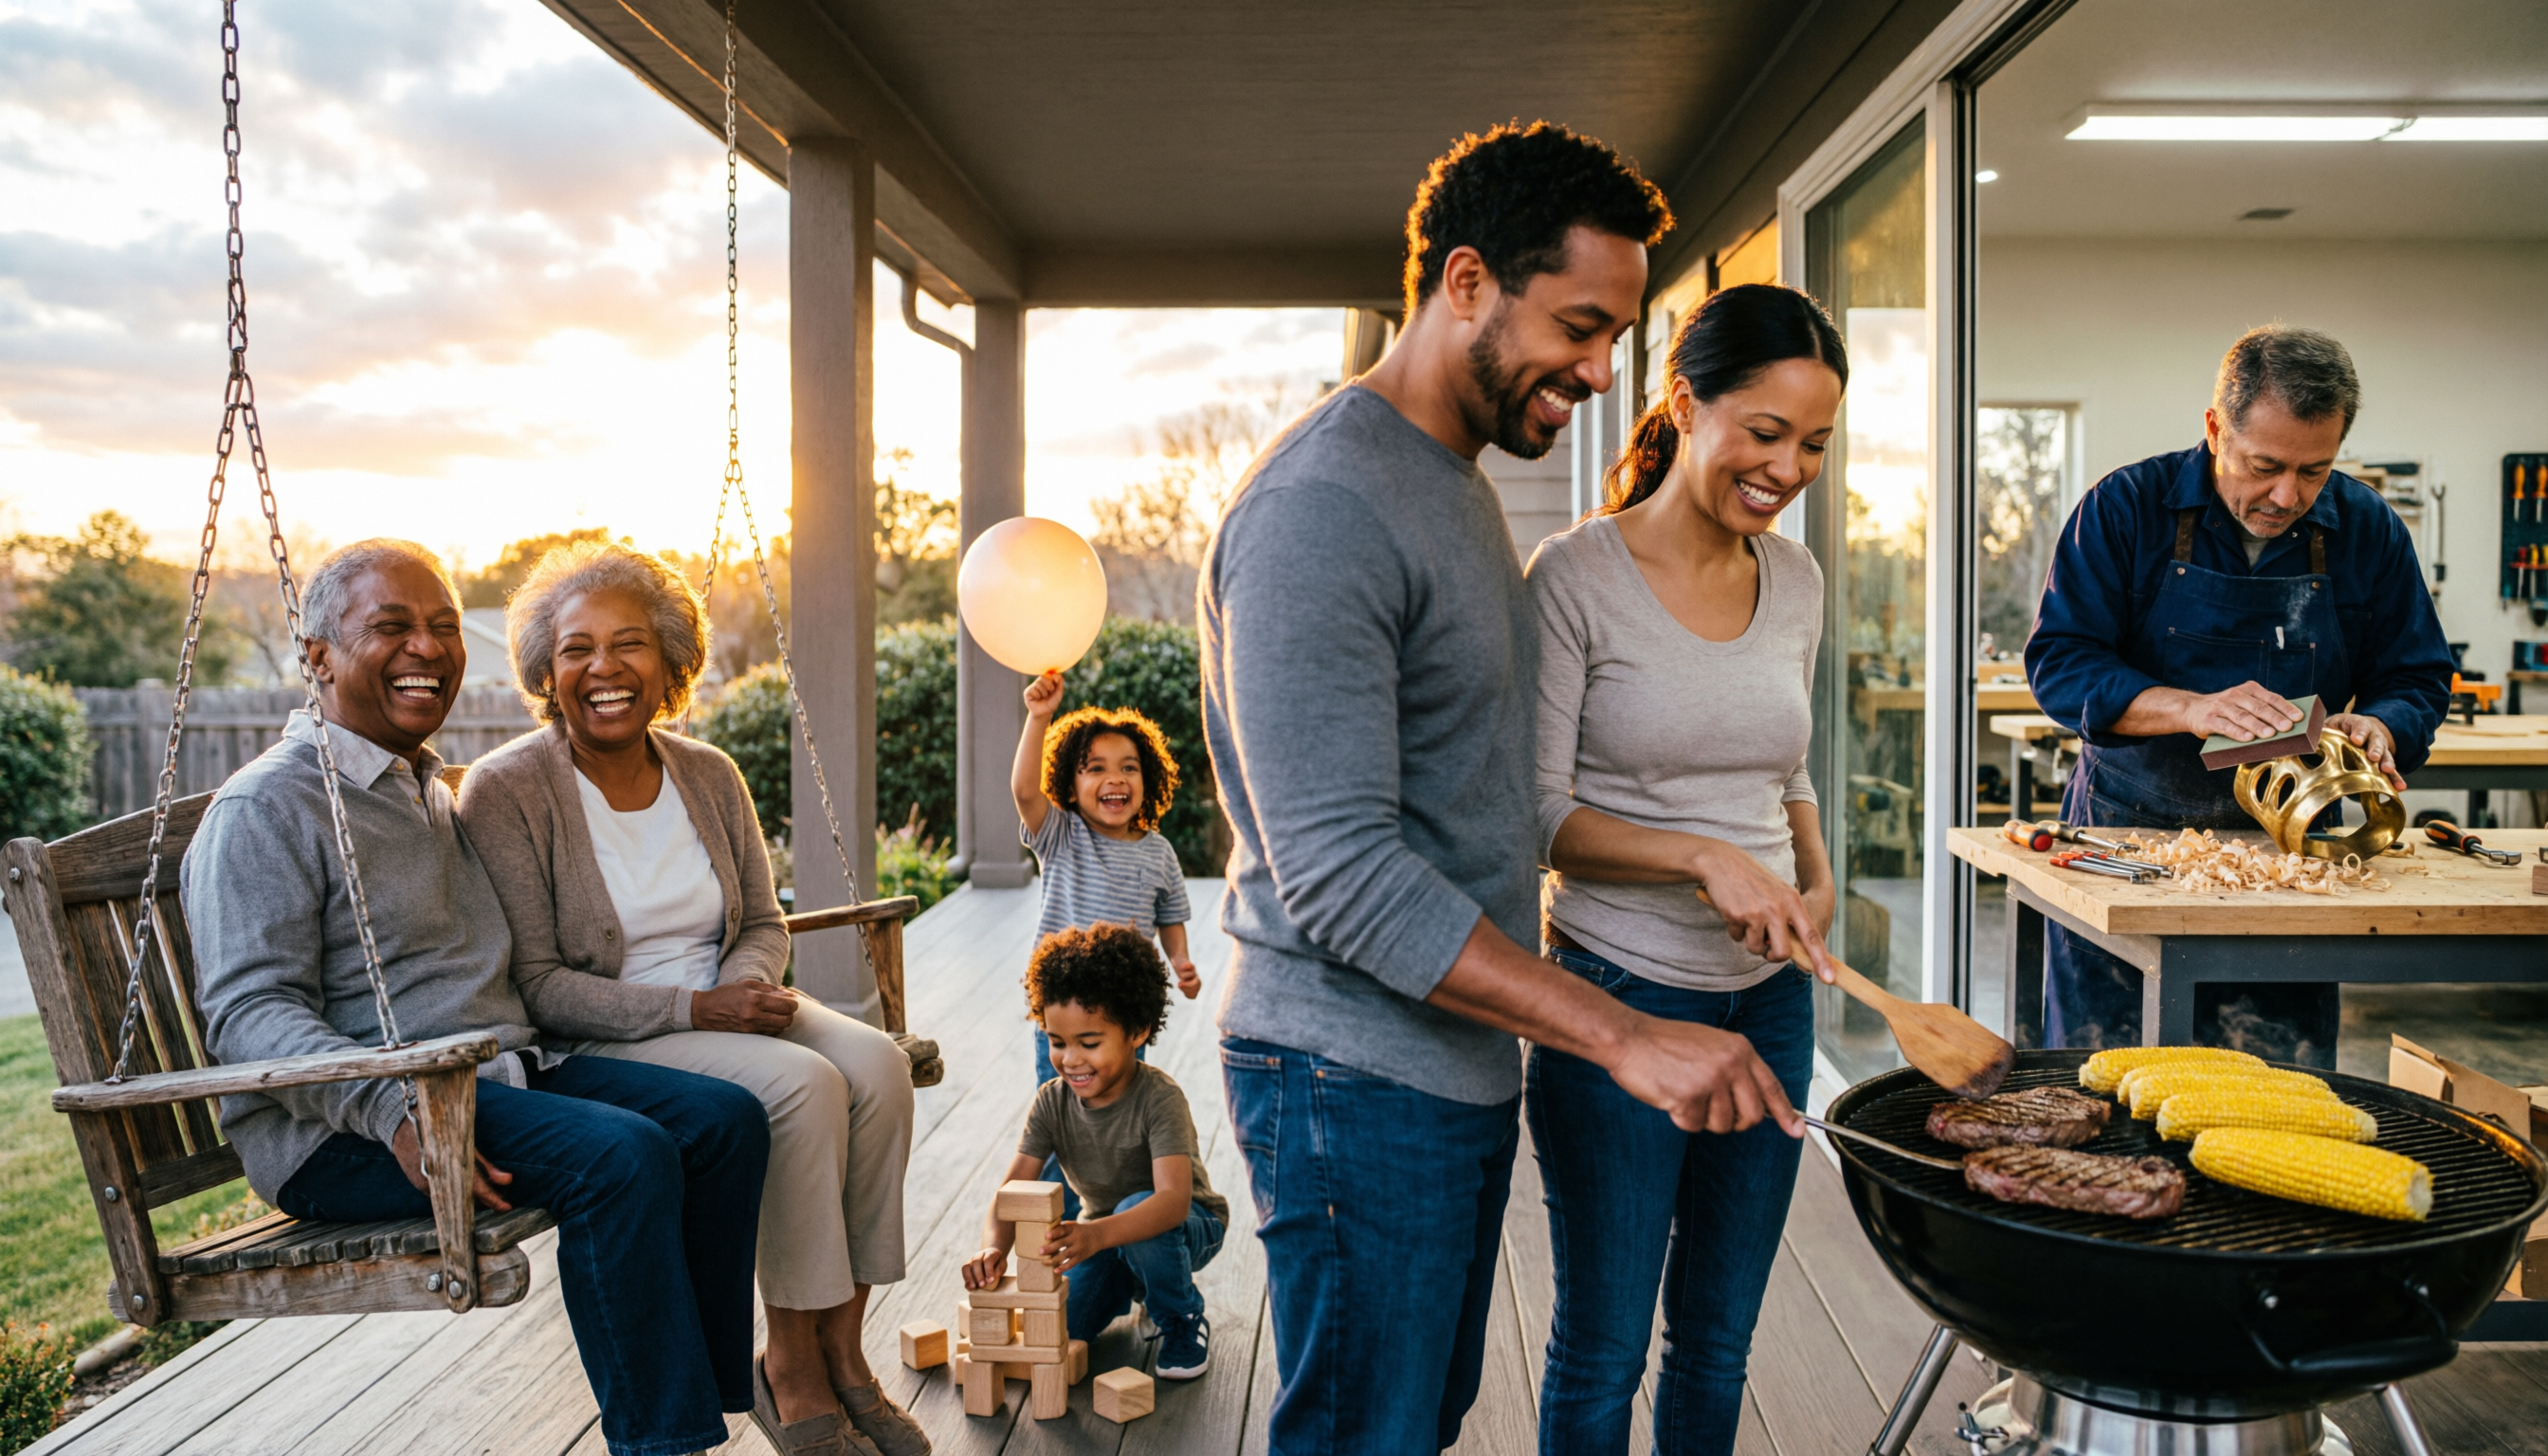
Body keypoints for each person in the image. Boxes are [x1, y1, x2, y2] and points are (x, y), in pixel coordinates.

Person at [1201, 121, 1806, 1456]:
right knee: (1371, 1429)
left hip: (1445, 1064)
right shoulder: (1324, 508)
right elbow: (1344, 879)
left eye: (1616, 338)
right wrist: (1619, 1032)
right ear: (1466, 282)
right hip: (1347, 1072)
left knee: (1415, 1422)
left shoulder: (1452, 481)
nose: (1600, 374)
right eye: (1580, 327)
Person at [185, 539, 769, 1456]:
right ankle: (665, 1441)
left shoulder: (419, 787)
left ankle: (706, 1403)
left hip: (491, 1078)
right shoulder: (269, 808)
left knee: (725, 1121)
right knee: (621, 1157)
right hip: (347, 1135)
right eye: (391, 627)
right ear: (318, 657)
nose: (427, 647)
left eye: (444, 628)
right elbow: (251, 1016)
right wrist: (393, 1111)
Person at [458, 541, 922, 1456]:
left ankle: (842, 1345)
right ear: (546, 672)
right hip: (607, 1033)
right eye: (576, 648)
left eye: (628, 644)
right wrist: (700, 1013)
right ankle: (789, 1368)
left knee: (879, 1065)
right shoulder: (507, 789)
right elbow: (540, 985)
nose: (603, 668)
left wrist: (742, 984)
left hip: (730, 1000)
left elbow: (760, 918)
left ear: (670, 660)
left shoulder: (707, 772)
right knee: (802, 1088)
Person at [1526, 283, 1847, 1456]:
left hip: (1773, 1002)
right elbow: (1540, 815)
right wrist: (1702, 860)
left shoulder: (1797, 581)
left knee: (1719, 1339)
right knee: (1604, 1343)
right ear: (1685, 402)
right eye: (1764, 434)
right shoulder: (1574, 578)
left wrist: (1810, 887)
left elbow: (1790, 777)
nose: (1787, 468)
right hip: (1621, 994)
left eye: (1813, 443)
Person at [2026, 326, 2452, 1065]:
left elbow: (2416, 675)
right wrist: (2190, 707)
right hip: (2133, 839)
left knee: (2275, 1091)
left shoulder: (2368, 528)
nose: (2287, 496)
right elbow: (2062, 665)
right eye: (2265, 466)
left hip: (2291, 855)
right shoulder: (2125, 509)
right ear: (2215, 428)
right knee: (2108, 1082)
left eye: (2314, 471)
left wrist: (2384, 723)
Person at [961, 923, 1228, 1380]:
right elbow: (1013, 1189)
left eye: (1089, 1043)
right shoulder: (1051, 1100)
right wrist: (993, 1248)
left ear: (1137, 1031)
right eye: (1056, 1041)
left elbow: (1172, 1202)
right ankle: (1136, 1281)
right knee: (1067, 1330)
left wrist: (1096, 1236)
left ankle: (1181, 1316)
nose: (1070, 1059)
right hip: (1104, 1233)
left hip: (1188, 1226)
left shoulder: (1159, 1098)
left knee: (1138, 1209)